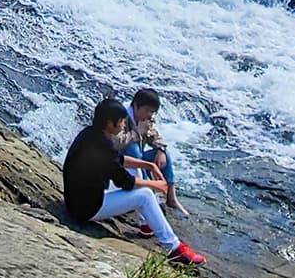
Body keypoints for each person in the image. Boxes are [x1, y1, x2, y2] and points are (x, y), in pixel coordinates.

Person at [62, 97, 204, 266]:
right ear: (109, 123)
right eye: (121, 122)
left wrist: (148, 165)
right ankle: (174, 248)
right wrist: (156, 185)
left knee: (137, 177)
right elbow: (125, 182)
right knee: (144, 195)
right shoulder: (101, 146)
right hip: (87, 208)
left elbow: (117, 160)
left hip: (78, 201)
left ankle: (146, 225)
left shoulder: (91, 135)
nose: (123, 125)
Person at [120, 87, 188, 217]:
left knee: (164, 155)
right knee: (133, 148)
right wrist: (137, 133)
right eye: (147, 111)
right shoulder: (120, 116)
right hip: (120, 164)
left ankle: (171, 198)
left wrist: (160, 149)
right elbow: (118, 142)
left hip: (138, 161)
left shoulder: (145, 118)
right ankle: (149, 195)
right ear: (135, 106)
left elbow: (154, 136)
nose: (150, 115)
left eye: (152, 112)